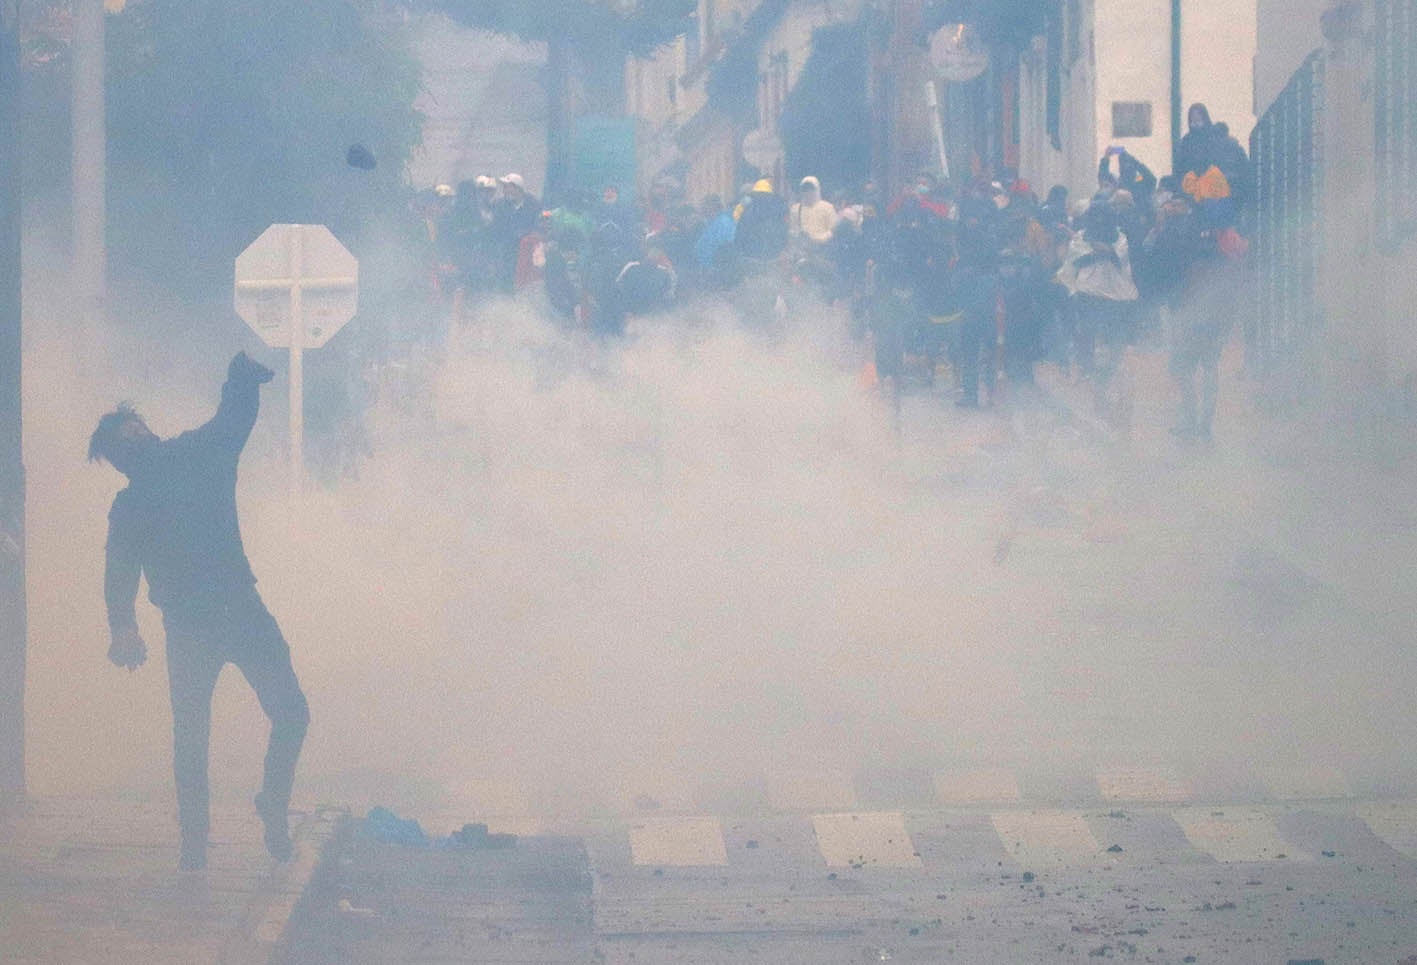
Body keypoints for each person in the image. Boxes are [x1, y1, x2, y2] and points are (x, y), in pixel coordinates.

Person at [90, 352, 309, 872]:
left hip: (242, 610)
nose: (135, 441)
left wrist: (240, 378)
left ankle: (272, 804)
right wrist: (122, 627)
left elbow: (231, 423)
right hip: (189, 631)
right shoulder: (131, 507)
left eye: (136, 428)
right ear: (119, 462)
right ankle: (194, 845)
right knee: (191, 739)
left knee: (293, 712)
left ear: (147, 429)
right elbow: (119, 572)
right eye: (124, 443)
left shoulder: (196, 455)